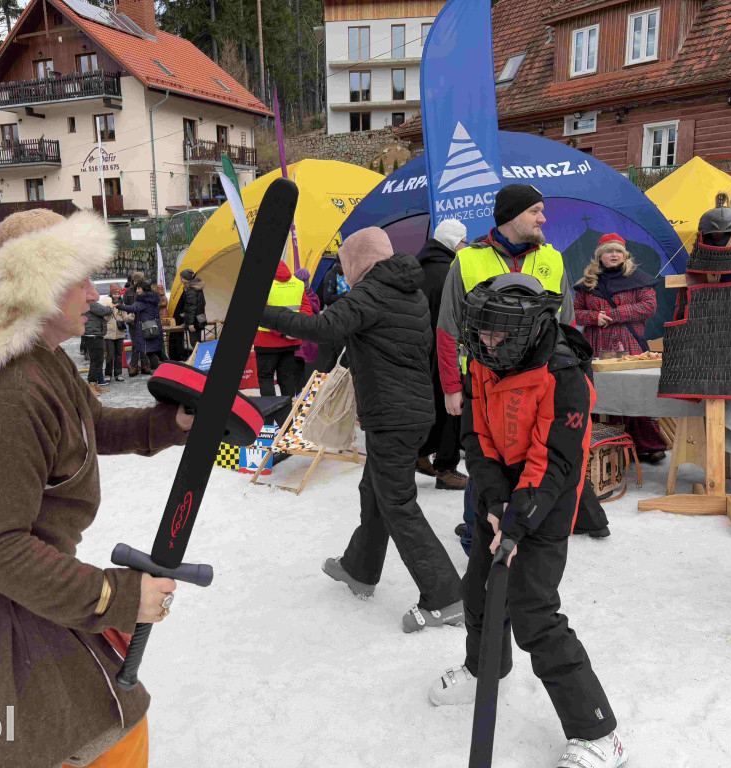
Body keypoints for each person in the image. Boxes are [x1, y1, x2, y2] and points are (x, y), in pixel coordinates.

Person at [0, 209, 194, 766]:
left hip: (11, 589)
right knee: (88, 747)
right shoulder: (9, 394)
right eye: (81, 279)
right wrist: (117, 597)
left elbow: (84, 428)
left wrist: (168, 426)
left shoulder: (39, 362)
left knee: (111, 737)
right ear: (40, 289)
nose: (95, 294)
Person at [428, 273, 626, 768]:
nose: (488, 344)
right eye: (482, 334)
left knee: (534, 610)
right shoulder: (484, 359)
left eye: (499, 335)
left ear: (531, 329)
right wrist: (494, 503)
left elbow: (554, 461)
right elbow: (477, 436)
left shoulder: (564, 376)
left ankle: (599, 732)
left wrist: (517, 523)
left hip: (548, 497)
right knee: (479, 590)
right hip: (500, 491)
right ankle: (485, 668)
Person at [260, 227, 463, 633]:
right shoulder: (410, 291)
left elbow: (322, 328)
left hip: (392, 415)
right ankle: (359, 568)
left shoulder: (370, 293)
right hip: (412, 411)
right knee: (376, 492)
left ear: (357, 262)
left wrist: (258, 311)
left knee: (398, 504)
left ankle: (447, 596)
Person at [437, 184, 610, 551]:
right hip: (485, 380)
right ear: (511, 217)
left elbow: (567, 324)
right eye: (535, 211)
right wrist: (452, 386)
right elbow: (447, 328)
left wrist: (576, 377)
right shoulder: (466, 261)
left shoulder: (553, 258)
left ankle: (526, 529)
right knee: (486, 457)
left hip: (540, 383)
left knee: (537, 456)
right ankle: (476, 531)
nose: (543, 218)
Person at [574, 233, 667, 463]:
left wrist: (612, 315)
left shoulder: (639, 279)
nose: (613, 255)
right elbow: (575, 312)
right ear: (600, 256)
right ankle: (604, 444)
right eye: (608, 251)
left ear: (624, 255)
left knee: (633, 393)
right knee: (599, 394)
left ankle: (647, 444)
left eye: (617, 251)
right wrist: (595, 317)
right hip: (596, 346)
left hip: (630, 345)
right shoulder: (587, 283)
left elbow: (648, 306)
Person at [415, 218, 469, 491]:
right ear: (451, 242)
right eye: (462, 241)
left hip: (417, 352)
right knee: (451, 409)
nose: (465, 246)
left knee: (428, 407)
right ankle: (446, 468)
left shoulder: (418, 266)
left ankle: (420, 453)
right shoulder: (450, 270)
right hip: (445, 350)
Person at [253, 261, 314, 398]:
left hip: (266, 342)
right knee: (286, 378)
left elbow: (263, 313)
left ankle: (271, 415)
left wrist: (282, 332)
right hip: (291, 343)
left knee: (266, 377)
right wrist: (295, 329)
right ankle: (288, 415)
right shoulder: (298, 284)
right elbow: (306, 308)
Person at [120, 281, 166, 375]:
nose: (137, 290)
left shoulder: (143, 299)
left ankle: (163, 370)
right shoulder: (153, 297)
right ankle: (168, 367)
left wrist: (119, 306)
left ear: (144, 289)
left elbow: (132, 308)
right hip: (155, 326)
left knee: (150, 351)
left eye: (139, 288)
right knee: (156, 351)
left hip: (146, 328)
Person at [316, 258, 349, 373]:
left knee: (336, 354)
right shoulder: (331, 275)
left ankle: (324, 381)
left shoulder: (349, 273)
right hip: (336, 318)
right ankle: (338, 382)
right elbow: (327, 298)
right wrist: (346, 295)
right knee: (342, 354)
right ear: (339, 263)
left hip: (348, 318)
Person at [83, 295, 111, 394]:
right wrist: (110, 307)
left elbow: (98, 315)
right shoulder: (91, 303)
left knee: (97, 360)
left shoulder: (88, 304)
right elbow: (105, 311)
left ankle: (95, 385)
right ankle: (91, 385)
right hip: (93, 335)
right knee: (96, 360)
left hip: (94, 334)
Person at [98, 293, 125, 384]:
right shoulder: (106, 303)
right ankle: (108, 374)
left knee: (119, 354)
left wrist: (131, 316)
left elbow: (125, 317)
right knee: (110, 355)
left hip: (119, 332)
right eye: (115, 294)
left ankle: (118, 374)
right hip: (109, 333)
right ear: (111, 294)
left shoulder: (122, 304)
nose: (116, 295)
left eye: (118, 294)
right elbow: (102, 316)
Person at [180, 269, 207, 350]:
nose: (180, 280)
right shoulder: (197, 288)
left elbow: (191, 307)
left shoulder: (191, 289)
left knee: (195, 344)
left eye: (181, 278)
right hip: (199, 318)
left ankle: (198, 361)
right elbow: (203, 303)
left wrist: (190, 323)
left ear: (186, 278)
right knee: (197, 343)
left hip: (194, 321)